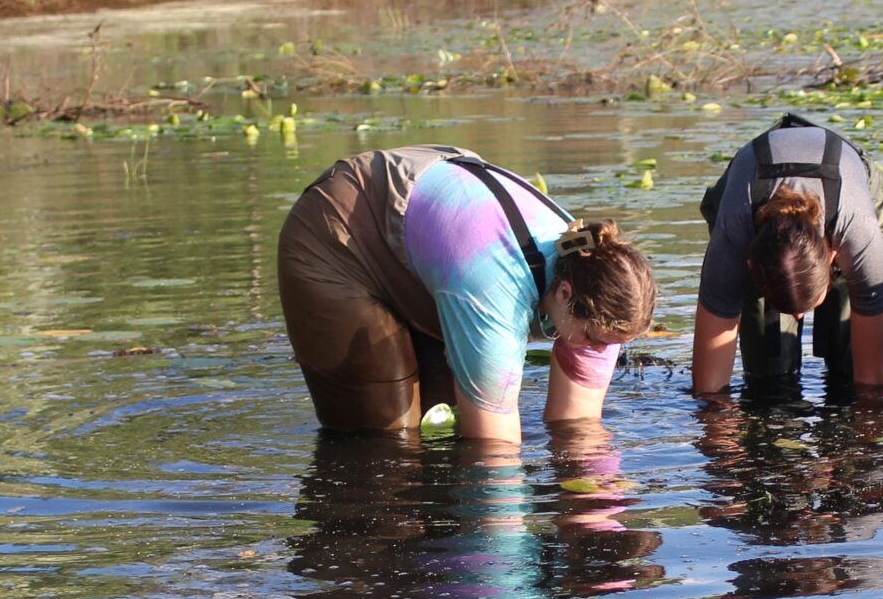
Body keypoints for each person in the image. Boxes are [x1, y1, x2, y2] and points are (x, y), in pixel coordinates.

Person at [277, 145, 656, 442]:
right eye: (591, 338)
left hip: (430, 259)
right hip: (338, 238)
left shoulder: (593, 277)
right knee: (390, 435)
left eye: (608, 344)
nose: (596, 349)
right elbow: (495, 449)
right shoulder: (494, 290)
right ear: (564, 293)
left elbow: (578, 429)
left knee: (442, 425)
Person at [692, 114, 883, 397]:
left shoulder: (858, 230)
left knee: (850, 363)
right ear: (749, 265)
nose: (800, 316)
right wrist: (719, 433)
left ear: (832, 258)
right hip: (749, 200)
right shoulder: (733, 235)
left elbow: (873, 386)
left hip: (861, 202)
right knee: (767, 370)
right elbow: (709, 392)